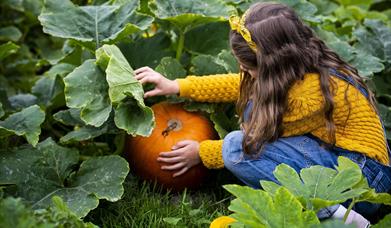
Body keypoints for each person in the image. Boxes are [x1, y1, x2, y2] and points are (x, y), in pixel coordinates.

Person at [134, 2, 391, 226]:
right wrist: (177, 86)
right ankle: (311, 206)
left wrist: (202, 153)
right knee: (250, 103)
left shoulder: (306, 98)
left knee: (236, 147)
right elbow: (241, 84)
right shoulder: (301, 64)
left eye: (247, 67)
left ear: (272, 66)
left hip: (361, 184)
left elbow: (255, 143)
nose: (243, 71)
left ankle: (341, 219)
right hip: (347, 161)